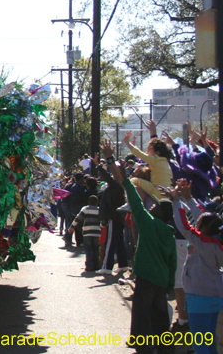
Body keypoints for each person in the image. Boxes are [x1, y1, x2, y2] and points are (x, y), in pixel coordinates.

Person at [108, 150, 177, 353]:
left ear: (160, 212)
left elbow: (133, 197)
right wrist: (170, 282)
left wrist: (114, 165)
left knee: (141, 311)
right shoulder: (170, 233)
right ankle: (165, 347)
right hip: (163, 279)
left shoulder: (148, 223)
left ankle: (141, 344)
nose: (153, 207)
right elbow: (172, 261)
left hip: (146, 276)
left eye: (156, 206)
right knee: (160, 314)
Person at [171, 178, 223, 354]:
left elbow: (184, 226)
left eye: (199, 224)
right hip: (215, 296)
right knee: (210, 342)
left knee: (200, 344)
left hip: (199, 298)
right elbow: (204, 217)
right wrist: (189, 198)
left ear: (204, 229)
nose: (196, 224)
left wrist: (176, 201)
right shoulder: (216, 241)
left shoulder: (201, 242)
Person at [95, 144, 129, 275]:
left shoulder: (117, 184)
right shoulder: (120, 185)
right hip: (117, 216)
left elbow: (107, 177)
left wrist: (98, 165)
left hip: (113, 216)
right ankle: (123, 264)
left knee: (110, 241)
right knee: (119, 241)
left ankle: (107, 267)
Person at [124, 120, 173, 189]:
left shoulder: (155, 159)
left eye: (149, 150)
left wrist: (127, 142)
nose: (146, 153)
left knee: (133, 180)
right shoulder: (164, 161)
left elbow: (139, 154)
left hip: (158, 191)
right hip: (168, 191)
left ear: (157, 153)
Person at [68, 195, 101, 272]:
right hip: (96, 232)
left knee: (88, 249)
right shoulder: (99, 210)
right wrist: (101, 227)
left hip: (87, 232)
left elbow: (78, 218)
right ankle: (97, 265)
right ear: (97, 202)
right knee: (96, 249)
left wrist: (72, 227)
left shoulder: (85, 209)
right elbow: (102, 221)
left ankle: (89, 265)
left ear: (88, 202)